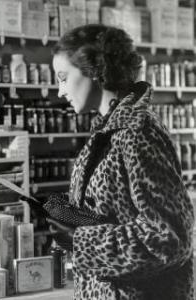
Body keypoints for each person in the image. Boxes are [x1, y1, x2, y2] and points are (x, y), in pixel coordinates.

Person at [48, 24, 194, 299]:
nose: (59, 91)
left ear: (95, 70)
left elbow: (171, 240)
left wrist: (81, 240)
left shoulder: (137, 133)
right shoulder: (109, 131)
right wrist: (73, 217)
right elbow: (118, 215)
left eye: (63, 78)